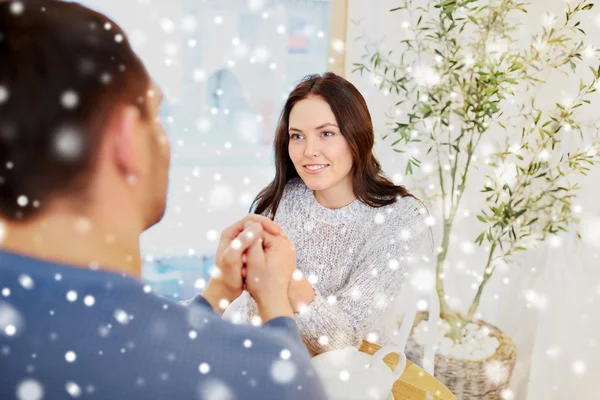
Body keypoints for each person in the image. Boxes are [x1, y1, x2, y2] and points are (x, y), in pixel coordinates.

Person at [0, 2, 326, 399]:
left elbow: (124, 346)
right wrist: (275, 304)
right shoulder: (255, 374)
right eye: (155, 115)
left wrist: (218, 291)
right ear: (125, 140)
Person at [224, 73, 429, 356]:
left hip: (357, 373)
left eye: (326, 133)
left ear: (357, 135)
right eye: (297, 136)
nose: (309, 151)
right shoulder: (280, 199)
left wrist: (286, 278)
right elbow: (254, 314)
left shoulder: (400, 218)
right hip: (277, 362)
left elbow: (344, 342)